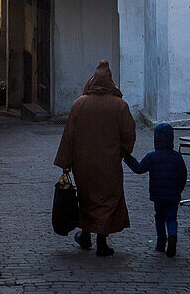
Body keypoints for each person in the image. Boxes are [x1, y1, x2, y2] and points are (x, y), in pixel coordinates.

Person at [54, 59, 136, 257]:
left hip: (83, 165)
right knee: (107, 199)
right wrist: (122, 152)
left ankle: (86, 235)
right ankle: (101, 240)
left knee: (87, 198)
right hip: (109, 164)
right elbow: (129, 134)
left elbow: (69, 135)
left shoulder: (79, 104)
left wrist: (66, 163)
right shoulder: (120, 106)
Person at [123, 122, 188, 257]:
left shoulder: (152, 157)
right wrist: (179, 190)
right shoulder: (177, 157)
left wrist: (127, 157)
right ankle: (172, 235)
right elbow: (183, 175)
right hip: (173, 195)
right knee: (171, 218)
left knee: (159, 218)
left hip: (158, 195)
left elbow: (139, 168)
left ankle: (161, 243)